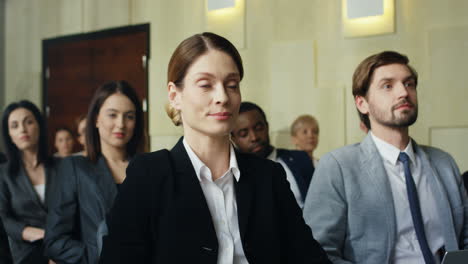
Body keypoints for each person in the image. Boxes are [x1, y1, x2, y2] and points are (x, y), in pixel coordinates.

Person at [100, 32, 330, 264]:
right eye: (205, 85)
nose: (222, 97)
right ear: (175, 95)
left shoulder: (268, 176)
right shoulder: (150, 174)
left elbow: (310, 258)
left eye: (232, 85)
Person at [304, 51, 468, 264]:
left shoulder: (444, 163)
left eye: (409, 84)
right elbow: (317, 253)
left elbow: (465, 237)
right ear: (362, 103)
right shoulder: (338, 167)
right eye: (388, 86)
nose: (403, 92)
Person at [44, 81, 145, 264]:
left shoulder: (147, 168)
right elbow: (55, 241)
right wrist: (103, 253)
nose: (121, 124)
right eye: (112, 115)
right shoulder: (75, 167)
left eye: (129, 116)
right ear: (97, 119)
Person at [0, 100, 59, 264]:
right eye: (15, 125)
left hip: (63, 243)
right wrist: (37, 234)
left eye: (29, 122)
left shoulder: (61, 167)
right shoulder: (4, 174)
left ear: (39, 126)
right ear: (9, 135)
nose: (22, 129)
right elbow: (3, 218)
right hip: (26, 249)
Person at [231, 102, 314, 208]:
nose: (254, 137)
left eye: (258, 128)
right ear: (233, 139)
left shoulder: (300, 159)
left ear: (267, 126)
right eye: (244, 134)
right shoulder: (233, 174)